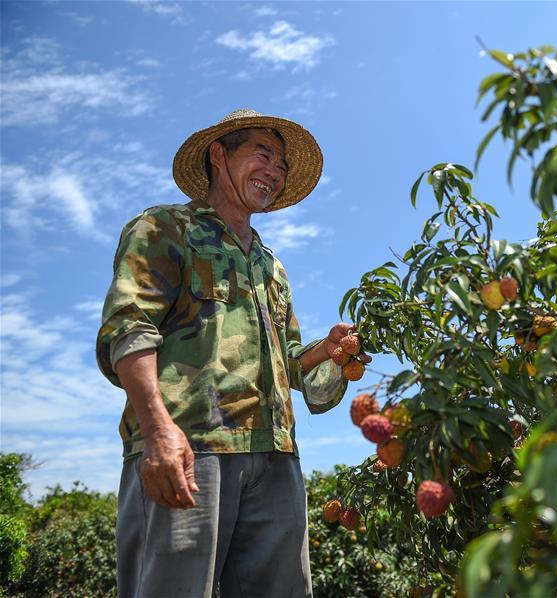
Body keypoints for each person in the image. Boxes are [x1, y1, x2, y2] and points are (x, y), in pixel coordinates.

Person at [96, 109, 368, 597]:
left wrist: (327, 351)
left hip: (274, 456)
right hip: (190, 447)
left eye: (282, 165)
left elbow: (288, 361)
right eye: (263, 155)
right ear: (219, 155)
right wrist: (158, 431)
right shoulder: (166, 228)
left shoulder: (270, 266)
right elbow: (128, 328)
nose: (274, 171)